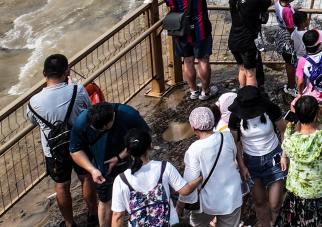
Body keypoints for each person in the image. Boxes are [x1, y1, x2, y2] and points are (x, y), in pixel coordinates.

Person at [27, 53, 96, 227]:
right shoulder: (77, 90)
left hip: (54, 150)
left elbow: (33, 121)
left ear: (44, 73)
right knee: (86, 178)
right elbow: (89, 110)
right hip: (79, 143)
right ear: (67, 71)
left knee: (62, 185)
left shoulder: (34, 102)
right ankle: (93, 216)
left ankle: (69, 223)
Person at [69, 102, 152, 227]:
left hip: (129, 162)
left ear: (113, 116)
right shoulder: (81, 122)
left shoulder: (129, 114)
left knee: (139, 193)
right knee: (105, 200)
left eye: (106, 128)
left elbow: (144, 138)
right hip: (102, 168)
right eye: (98, 130)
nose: (102, 131)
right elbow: (74, 150)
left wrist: (119, 157)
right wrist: (92, 170)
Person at [110, 129, 203, 227]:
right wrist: (201, 178)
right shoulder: (164, 167)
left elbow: (118, 216)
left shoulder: (121, 180)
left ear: (128, 151)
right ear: (150, 146)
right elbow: (185, 190)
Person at [278, 96, 322, 227]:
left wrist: (290, 128)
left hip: (301, 193)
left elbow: (286, 141)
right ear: (317, 113)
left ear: (298, 115)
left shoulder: (290, 141)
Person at [228, 87, 287, 227]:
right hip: (251, 162)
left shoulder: (270, 108)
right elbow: (235, 143)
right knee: (260, 202)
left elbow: (284, 130)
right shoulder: (235, 116)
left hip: (274, 159)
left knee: (275, 204)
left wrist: (285, 155)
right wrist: (241, 166)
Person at [179, 107, 243, 227]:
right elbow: (233, 156)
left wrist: (179, 208)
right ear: (213, 122)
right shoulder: (227, 137)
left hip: (207, 203)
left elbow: (189, 184)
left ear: (193, 128)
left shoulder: (193, 150)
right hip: (231, 199)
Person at [163, 0, 214, 100]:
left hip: (181, 32)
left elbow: (170, 4)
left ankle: (193, 90)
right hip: (200, 30)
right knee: (203, 61)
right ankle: (205, 91)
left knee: (188, 61)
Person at [228, 0, 275, 88]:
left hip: (234, 40)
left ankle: (242, 93)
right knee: (250, 73)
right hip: (247, 43)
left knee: (242, 68)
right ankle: (251, 99)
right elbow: (271, 1)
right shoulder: (254, 1)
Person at [272, 0, 300, 96]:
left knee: (289, 61)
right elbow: (290, 27)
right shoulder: (287, 11)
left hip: (281, 32)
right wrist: (297, 38)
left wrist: (292, 9)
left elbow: (284, 11)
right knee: (290, 63)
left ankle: (291, 85)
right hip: (288, 36)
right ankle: (291, 87)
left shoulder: (278, 1)